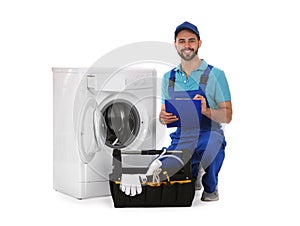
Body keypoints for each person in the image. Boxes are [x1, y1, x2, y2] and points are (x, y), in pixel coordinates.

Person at [159, 21, 232, 201]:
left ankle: (211, 186)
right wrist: (163, 117)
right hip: (182, 135)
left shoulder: (216, 75)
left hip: (209, 132)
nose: (187, 45)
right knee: (163, 171)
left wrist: (206, 110)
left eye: (191, 40)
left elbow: (227, 116)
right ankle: (193, 170)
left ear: (199, 43)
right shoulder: (169, 77)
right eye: (182, 41)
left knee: (212, 146)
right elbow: (163, 115)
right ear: (175, 44)